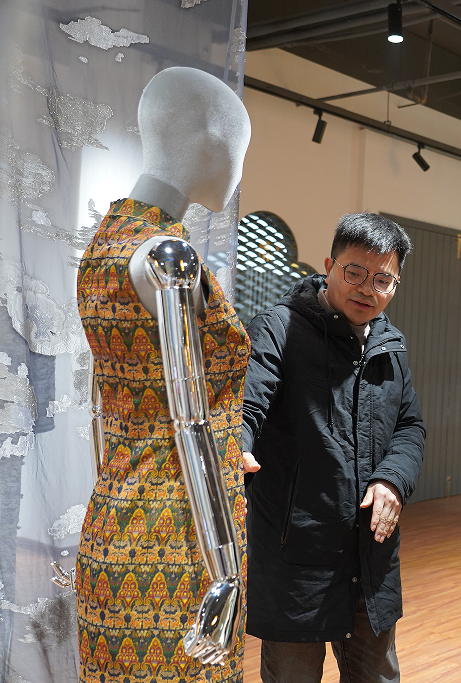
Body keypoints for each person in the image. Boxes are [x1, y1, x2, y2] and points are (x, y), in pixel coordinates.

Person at [76, 67, 252, 681]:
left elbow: (102, 402)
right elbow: (191, 423)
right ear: (212, 140)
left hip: (114, 519)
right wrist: (226, 572)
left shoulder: (106, 242)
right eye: (242, 147)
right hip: (177, 539)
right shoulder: (167, 256)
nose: (240, 167)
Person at [241, 213, 425, 683]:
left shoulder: (389, 345)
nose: (367, 290)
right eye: (355, 272)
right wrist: (236, 446)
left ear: (395, 284)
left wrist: (393, 480)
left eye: (382, 279)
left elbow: (409, 426)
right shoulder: (279, 328)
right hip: (297, 553)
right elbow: (247, 405)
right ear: (329, 266)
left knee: (376, 676)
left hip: (369, 552)